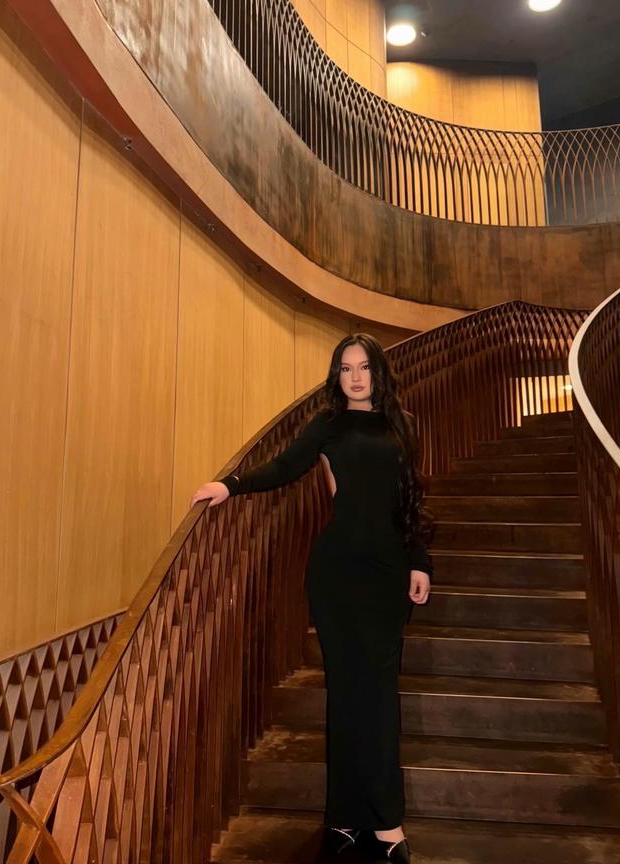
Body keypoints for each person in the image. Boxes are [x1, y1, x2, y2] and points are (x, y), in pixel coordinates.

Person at [190, 333, 433, 862]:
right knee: (345, 694)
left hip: (387, 574)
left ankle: (386, 820)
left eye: (364, 367)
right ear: (336, 376)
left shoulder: (405, 425)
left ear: (378, 372)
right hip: (336, 573)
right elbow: (284, 467)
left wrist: (420, 561)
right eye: (346, 368)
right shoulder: (327, 425)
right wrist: (230, 485)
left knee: (378, 696)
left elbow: (411, 497)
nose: (356, 377)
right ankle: (343, 815)